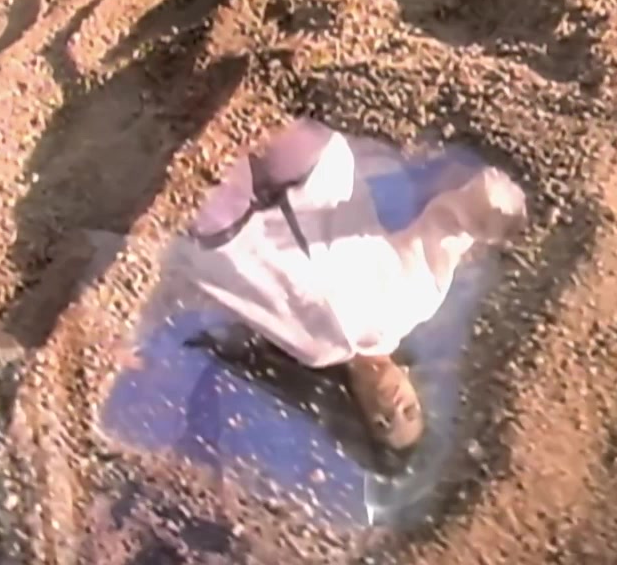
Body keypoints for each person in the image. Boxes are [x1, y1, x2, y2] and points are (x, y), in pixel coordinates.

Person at [168, 119, 527, 452]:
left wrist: (200, 249)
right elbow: (446, 229)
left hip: (236, 228)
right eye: (409, 411)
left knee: (200, 177)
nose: (393, 408)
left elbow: (245, 289)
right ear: (412, 385)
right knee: (294, 138)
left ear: (358, 411)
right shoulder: (412, 305)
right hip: (314, 178)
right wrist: (490, 214)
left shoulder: (316, 351)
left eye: (383, 422)